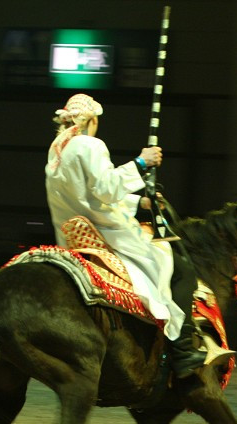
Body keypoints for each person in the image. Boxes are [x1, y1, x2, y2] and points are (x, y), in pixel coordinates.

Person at [45, 93, 207, 377]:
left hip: (71, 236)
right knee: (179, 268)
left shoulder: (57, 149)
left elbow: (88, 195)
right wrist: (141, 163)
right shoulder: (90, 144)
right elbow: (106, 188)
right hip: (105, 233)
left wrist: (139, 203)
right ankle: (181, 351)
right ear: (92, 120)